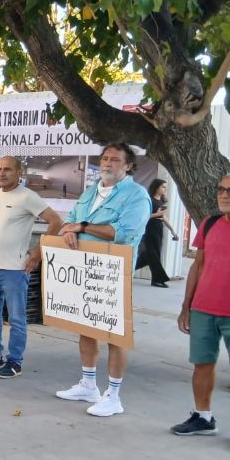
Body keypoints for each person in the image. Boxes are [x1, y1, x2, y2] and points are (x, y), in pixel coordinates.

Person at [55, 143, 151, 417]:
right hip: (84, 270)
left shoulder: (137, 195)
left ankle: (114, 395)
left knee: (114, 334)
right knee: (86, 325)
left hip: (113, 274)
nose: (107, 163)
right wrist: (68, 232)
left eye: (115, 159)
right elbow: (70, 220)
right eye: (105, 158)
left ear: (128, 165)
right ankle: (88, 385)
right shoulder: (91, 190)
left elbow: (125, 232)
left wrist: (83, 228)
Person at [0, 157, 62, 378]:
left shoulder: (28, 196)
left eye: (7, 169)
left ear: (20, 172)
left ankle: (15, 362)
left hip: (15, 269)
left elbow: (55, 221)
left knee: (17, 318)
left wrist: (38, 252)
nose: (1, 173)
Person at [171, 174, 230, 436]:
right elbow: (198, 265)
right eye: (220, 189)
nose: (224, 195)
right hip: (204, 310)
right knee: (202, 364)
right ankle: (203, 417)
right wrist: (187, 307)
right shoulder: (209, 224)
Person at [136, 178, 179, 287]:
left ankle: (128, 268)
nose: (165, 189)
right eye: (163, 187)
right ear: (156, 187)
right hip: (150, 227)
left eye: (166, 187)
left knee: (149, 256)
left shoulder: (161, 201)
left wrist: (173, 231)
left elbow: (163, 218)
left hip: (158, 228)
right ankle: (157, 279)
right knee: (154, 254)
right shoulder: (149, 200)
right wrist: (157, 214)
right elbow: (144, 216)